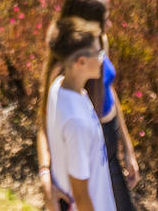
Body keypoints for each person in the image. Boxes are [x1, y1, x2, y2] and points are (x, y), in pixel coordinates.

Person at [37, 0, 139, 211]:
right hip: (88, 147)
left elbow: (109, 90)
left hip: (106, 146)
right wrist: (46, 175)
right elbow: (44, 125)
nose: (109, 25)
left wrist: (127, 148)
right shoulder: (65, 68)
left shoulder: (98, 44)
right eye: (104, 20)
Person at [42, 17, 118, 211]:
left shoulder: (60, 87)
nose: (103, 58)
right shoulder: (77, 124)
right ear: (81, 62)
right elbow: (81, 195)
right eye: (98, 53)